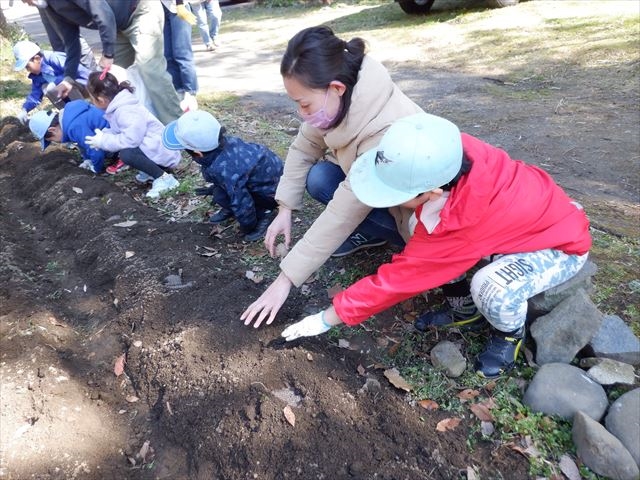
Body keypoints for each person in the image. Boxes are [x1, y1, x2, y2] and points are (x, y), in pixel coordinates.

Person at [280, 112, 592, 378]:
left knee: (491, 286)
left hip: (558, 244)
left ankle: (509, 335)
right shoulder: (446, 153)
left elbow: (399, 280)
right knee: (426, 238)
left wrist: (326, 318)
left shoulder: (463, 221)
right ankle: (464, 311)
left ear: (431, 192)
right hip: (520, 224)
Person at [240, 25, 423, 328]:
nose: (302, 113)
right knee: (320, 178)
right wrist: (284, 208)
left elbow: (343, 212)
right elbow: (303, 147)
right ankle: (375, 236)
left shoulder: (384, 134)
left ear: (336, 88)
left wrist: (285, 279)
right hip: (376, 189)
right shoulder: (337, 95)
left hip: (415, 210)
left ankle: (405, 247)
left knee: (348, 204)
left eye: (304, 104)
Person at [41, 0, 182, 125]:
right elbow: (71, 43)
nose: (24, 2)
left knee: (150, 70)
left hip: (140, 11)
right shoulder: (50, 7)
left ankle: (178, 128)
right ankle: (131, 129)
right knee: (112, 82)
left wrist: (108, 54)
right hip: (117, 26)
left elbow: (103, 13)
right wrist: (68, 79)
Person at [162, 110, 284, 241]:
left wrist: (247, 226)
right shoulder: (223, 144)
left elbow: (242, 201)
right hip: (266, 177)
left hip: (273, 192)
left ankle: (265, 213)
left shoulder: (226, 169)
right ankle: (232, 208)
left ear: (198, 153)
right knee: (219, 193)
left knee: (224, 196)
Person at [84, 70, 181, 199]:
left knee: (127, 154)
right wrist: (102, 137)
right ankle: (151, 171)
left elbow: (131, 140)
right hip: (153, 148)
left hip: (162, 151)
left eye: (92, 98)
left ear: (101, 100)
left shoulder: (126, 110)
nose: (91, 102)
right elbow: (120, 131)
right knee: (126, 151)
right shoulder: (118, 107)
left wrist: (104, 141)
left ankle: (164, 178)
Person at [13, 40, 91, 124]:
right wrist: (25, 109)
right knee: (46, 88)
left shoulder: (53, 58)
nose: (28, 70)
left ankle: (84, 111)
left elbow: (73, 70)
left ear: (37, 59)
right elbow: (35, 95)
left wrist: (57, 82)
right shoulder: (37, 75)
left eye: (28, 66)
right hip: (67, 93)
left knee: (55, 86)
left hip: (85, 85)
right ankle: (68, 113)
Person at [27, 101, 109, 173]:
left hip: (115, 135)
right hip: (108, 132)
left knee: (106, 154)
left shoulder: (74, 127)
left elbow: (96, 150)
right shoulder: (68, 118)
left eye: (51, 139)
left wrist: (96, 169)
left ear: (52, 130)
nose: (56, 142)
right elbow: (83, 143)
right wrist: (87, 159)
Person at [161, 0, 199, 112]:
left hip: (178, 7)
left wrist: (180, 4)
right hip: (162, 8)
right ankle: (179, 93)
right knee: (167, 56)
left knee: (182, 54)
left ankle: (190, 93)